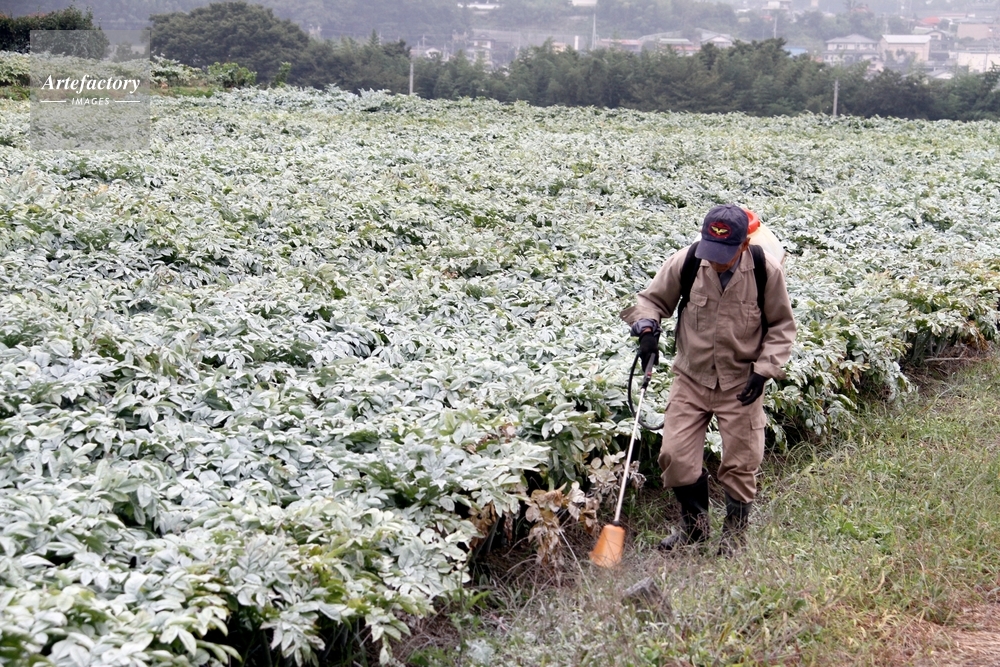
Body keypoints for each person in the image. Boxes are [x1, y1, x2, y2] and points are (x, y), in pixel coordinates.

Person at [620, 204, 796, 555]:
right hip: (691, 378)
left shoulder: (765, 270)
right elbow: (651, 300)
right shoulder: (687, 261)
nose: (715, 261)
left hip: (741, 382)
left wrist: (764, 371)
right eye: (711, 252)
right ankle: (694, 529)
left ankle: (734, 536)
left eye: (724, 254)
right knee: (675, 456)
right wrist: (647, 328)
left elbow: (781, 326)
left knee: (741, 463)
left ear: (743, 245)